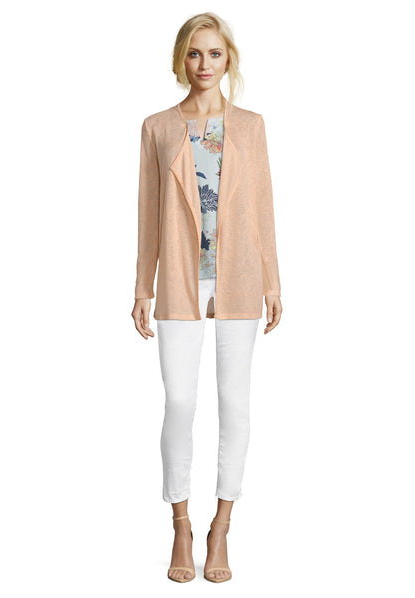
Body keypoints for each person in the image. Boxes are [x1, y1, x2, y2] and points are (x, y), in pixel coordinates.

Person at [131, 12, 282, 583]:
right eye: (195, 53)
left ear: (229, 60)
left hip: (239, 276)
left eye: (215, 53)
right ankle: (181, 523)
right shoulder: (157, 127)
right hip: (179, 280)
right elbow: (148, 214)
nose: (204, 64)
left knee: (235, 404)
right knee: (180, 402)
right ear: (181, 59)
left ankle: (221, 524)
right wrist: (142, 286)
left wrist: (272, 279)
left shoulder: (250, 126)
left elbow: (263, 205)